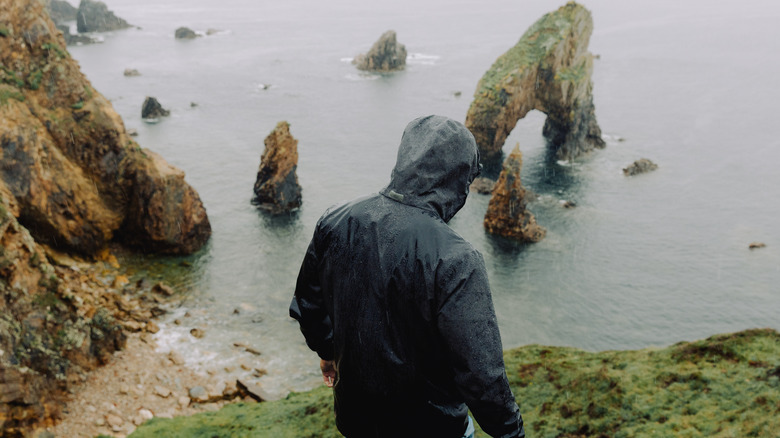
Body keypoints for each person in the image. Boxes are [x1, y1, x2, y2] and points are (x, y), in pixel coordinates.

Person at [290, 115, 525, 438]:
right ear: (458, 178)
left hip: (356, 420)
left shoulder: (335, 220)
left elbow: (309, 307)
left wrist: (328, 353)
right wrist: (511, 432)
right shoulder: (456, 259)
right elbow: (481, 376)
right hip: (432, 428)